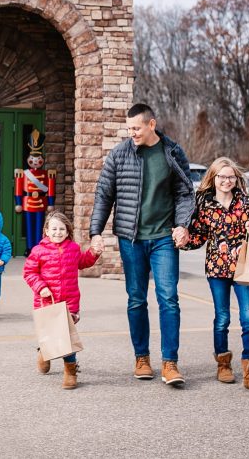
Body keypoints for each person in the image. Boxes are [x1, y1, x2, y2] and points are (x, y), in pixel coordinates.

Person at [89, 103, 194, 386]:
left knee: (168, 298)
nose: (131, 133)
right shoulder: (119, 155)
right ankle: (142, 358)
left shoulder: (172, 152)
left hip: (163, 239)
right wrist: (95, 231)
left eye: (136, 128)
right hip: (131, 240)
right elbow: (103, 195)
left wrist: (183, 224)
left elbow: (185, 193)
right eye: (129, 129)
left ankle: (170, 363)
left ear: (151, 125)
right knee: (136, 299)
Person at [177, 157, 249, 392]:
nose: (227, 181)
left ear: (236, 179)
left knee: (248, 319)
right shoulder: (205, 206)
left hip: (243, 267)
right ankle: (223, 364)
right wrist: (183, 241)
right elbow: (198, 237)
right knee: (222, 318)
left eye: (230, 177)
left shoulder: (246, 201)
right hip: (217, 269)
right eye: (222, 177)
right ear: (213, 178)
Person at [23, 210, 102, 389]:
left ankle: (70, 371)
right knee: (51, 336)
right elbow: (29, 272)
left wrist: (93, 253)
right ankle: (44, 351)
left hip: (69, 304)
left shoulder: (73, 249)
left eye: (61, 229)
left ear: (67, 231)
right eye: (54, 229)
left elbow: (83, 262)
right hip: (46, 302)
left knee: (67, 338)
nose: (58, 232)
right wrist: (40, 287)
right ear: (46, 231)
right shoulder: (38, 251)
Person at [14, 129, 55, 254]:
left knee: (39, 226)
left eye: (38, 159)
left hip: (41, 202)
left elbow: (51, 188)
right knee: (29, 226)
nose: (36, 162)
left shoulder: (47, 173)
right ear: (29, 159)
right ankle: (29, 248)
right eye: (33, 159)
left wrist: (50, 202)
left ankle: (39, 246)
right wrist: (18, 202)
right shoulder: (23, 173)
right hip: (28, 202)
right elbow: (18, 188)